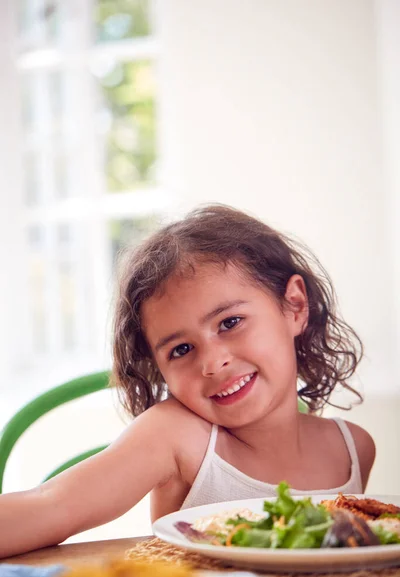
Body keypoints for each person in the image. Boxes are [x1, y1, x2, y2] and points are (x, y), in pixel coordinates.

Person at [0, 205, 375, 558]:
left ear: (294, 305)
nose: (212, 363)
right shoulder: (177, 438)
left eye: (230, 323)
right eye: (180, 350)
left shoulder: (353, 450)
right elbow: (51, 505)